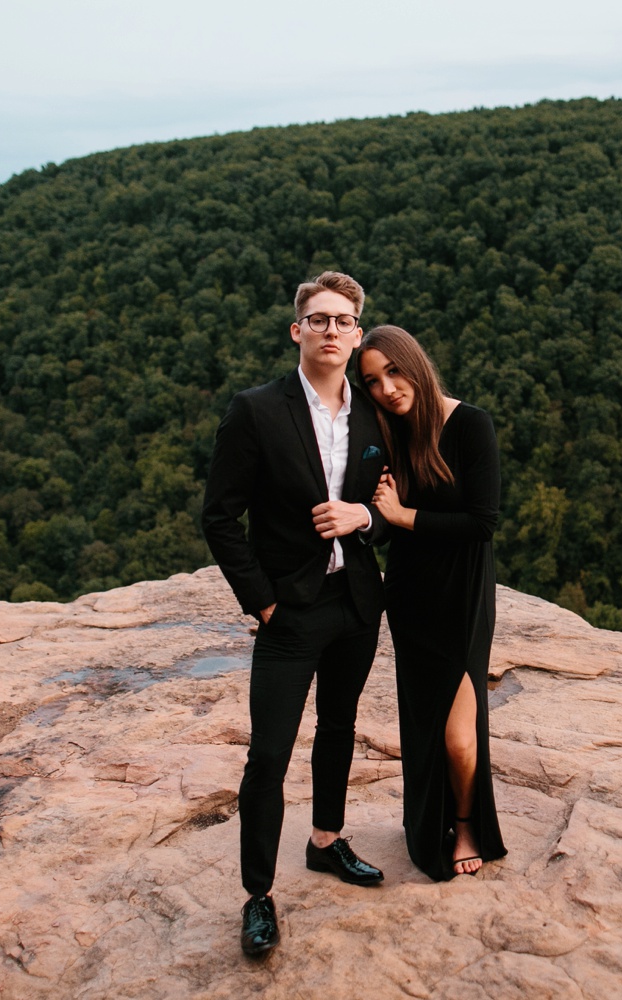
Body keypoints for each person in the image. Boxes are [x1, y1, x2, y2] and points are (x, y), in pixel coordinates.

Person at [201, 272, 391, 958]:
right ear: (298, 330)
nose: (332, 330)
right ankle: (258, 895)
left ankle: (326, 842)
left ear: (358, 334)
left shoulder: (375, 414)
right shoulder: (255, 410)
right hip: (289, 613)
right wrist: (264, 601)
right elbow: (219, 518)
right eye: (319, 320)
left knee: (339, 729)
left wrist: (363, 515)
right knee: (269, 756)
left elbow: (392, 508)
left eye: (344, 321)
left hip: (357, 604)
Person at [357, 324, 507, 881]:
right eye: (372, 381)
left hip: (463, 596)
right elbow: (381, 524)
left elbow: (482, 523)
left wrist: (402, 517)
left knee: (459, 736)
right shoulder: (390, 435)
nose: (387, 389)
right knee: (424, 724)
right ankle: (426, 826)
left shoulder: (471, 425)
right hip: (412, 597)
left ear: (414, 363)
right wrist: (373, 518)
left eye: (393, 372)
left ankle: (467, 822)